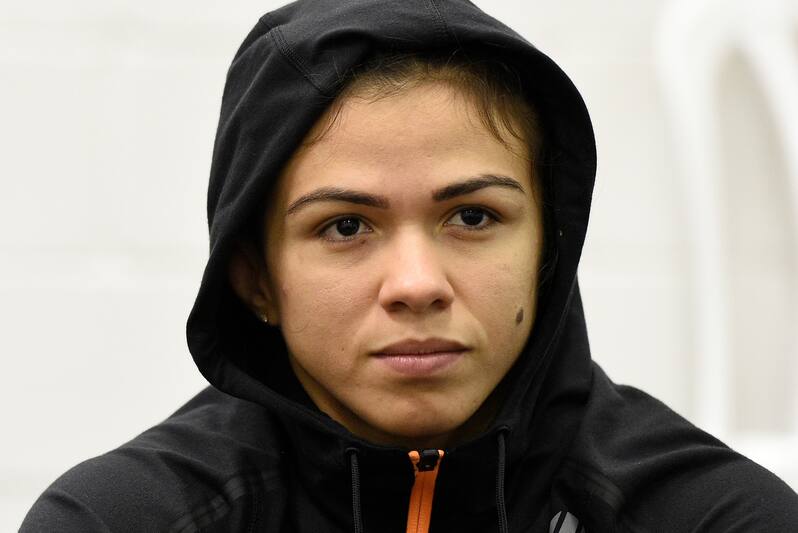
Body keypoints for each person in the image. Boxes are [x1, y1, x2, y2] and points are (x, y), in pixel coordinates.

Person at [21, 0, 798, 531]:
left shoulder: (721, 517)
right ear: (255, 277)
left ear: (548, 249)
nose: (417, 284)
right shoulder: (121, 518)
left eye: (472, 216)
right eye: (346, 225)